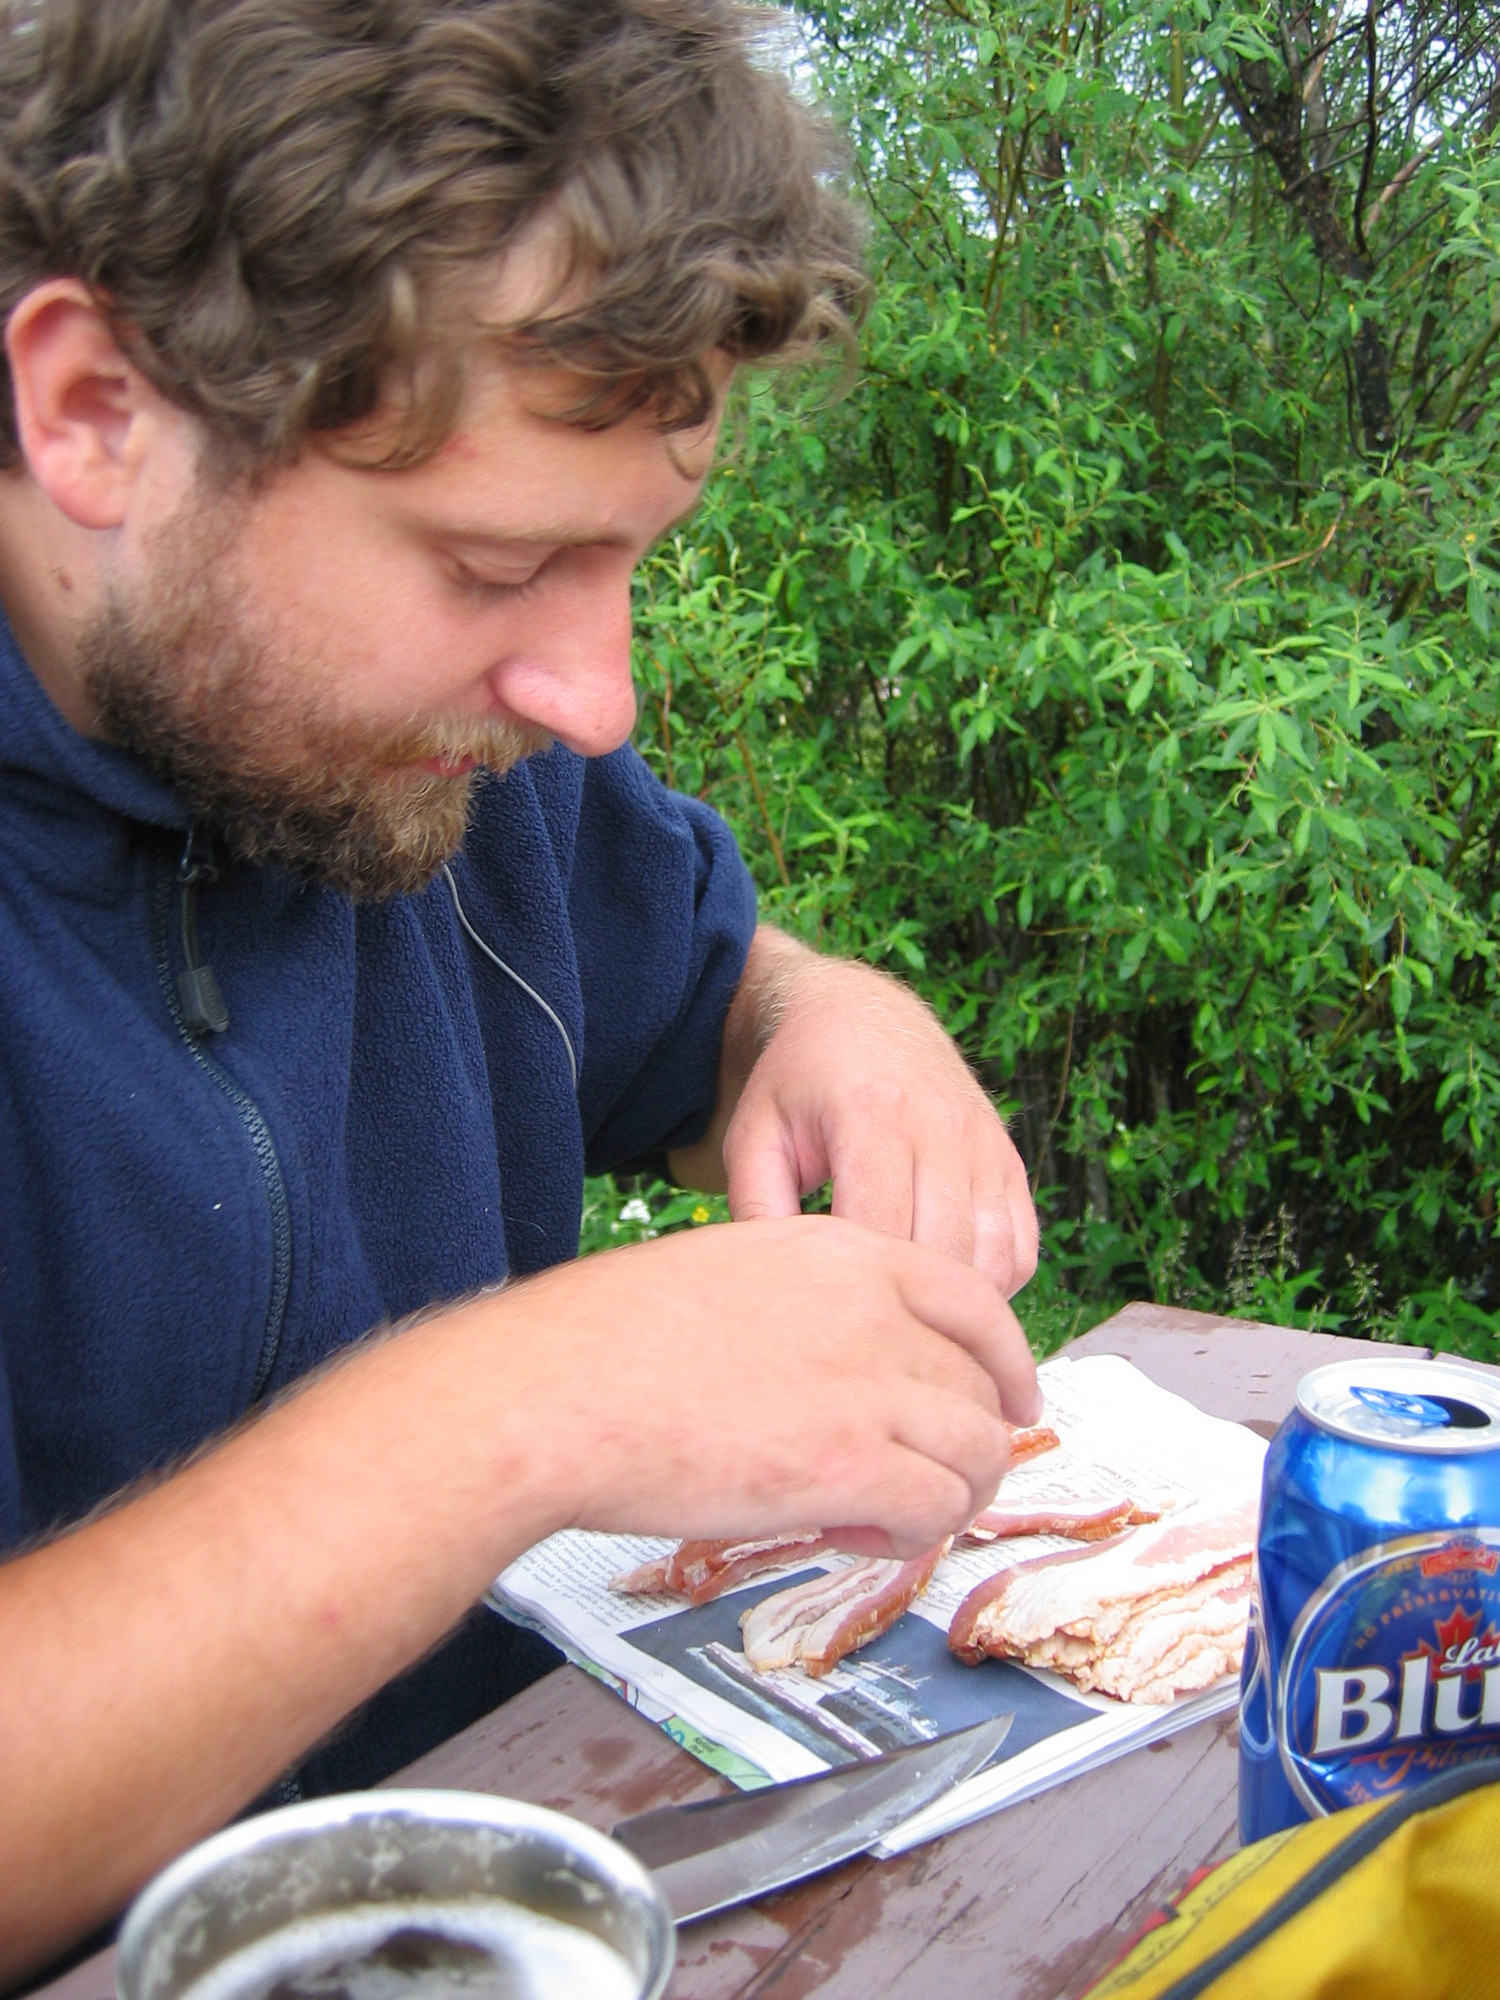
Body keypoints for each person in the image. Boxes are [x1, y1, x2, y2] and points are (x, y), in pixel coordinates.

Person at [0, 0, 1041, 1982]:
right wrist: (512, 1415)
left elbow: (710, 998)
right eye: (491, 567)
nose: (593, 697)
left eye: (631, 558)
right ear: (97, 411)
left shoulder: (436, 767)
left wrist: (833, 1016)